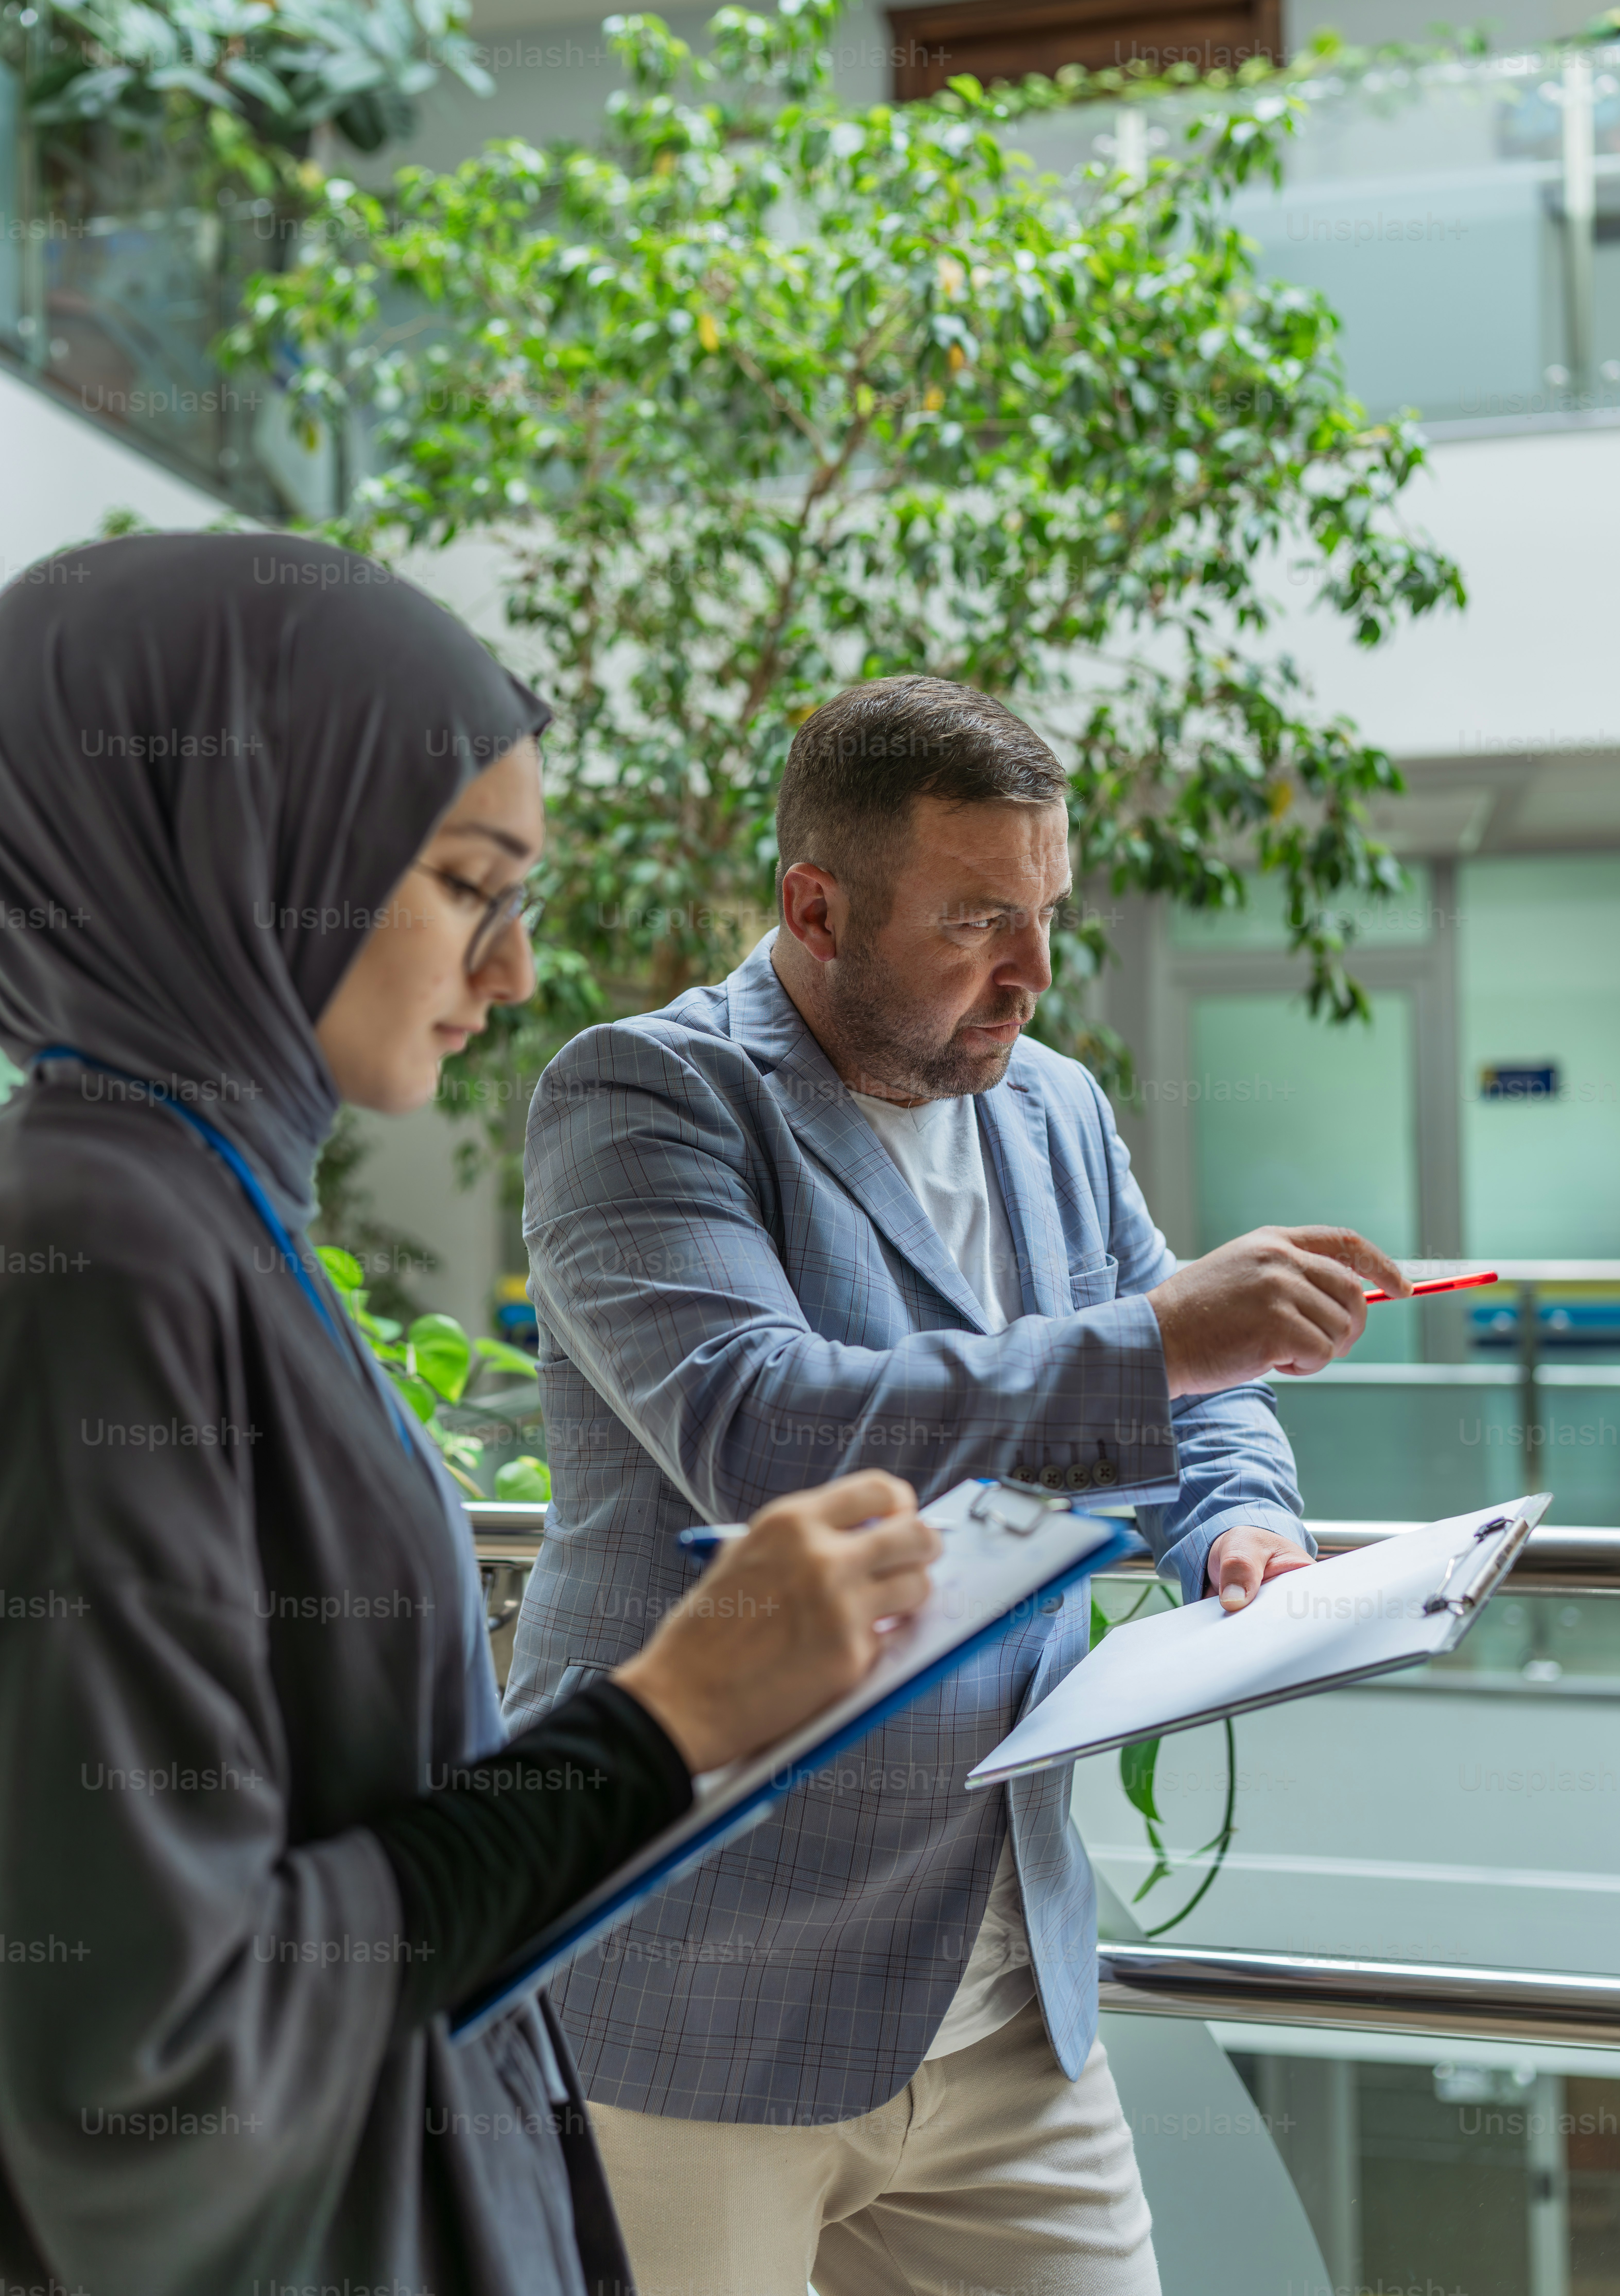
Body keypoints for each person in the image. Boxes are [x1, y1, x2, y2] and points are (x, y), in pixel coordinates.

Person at [0, 533, 943, 2296]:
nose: (511, 975)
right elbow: (155, 2057)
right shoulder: (102, 1250)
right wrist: (667, 1715)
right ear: (237, 842)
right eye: (464, 883)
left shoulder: (203, 1207)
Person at [505, 674, 1413, 2296]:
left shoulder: (1053, 1104)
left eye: (1046, 912)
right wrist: (1159, 1341)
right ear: (816, 909)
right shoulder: (643, 1093)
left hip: (996, 1991)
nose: (1033, 972)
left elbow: (1196, 1392)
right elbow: (758, 1428)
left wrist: (1241, 1527)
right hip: (694, 1990)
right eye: (979, 920)